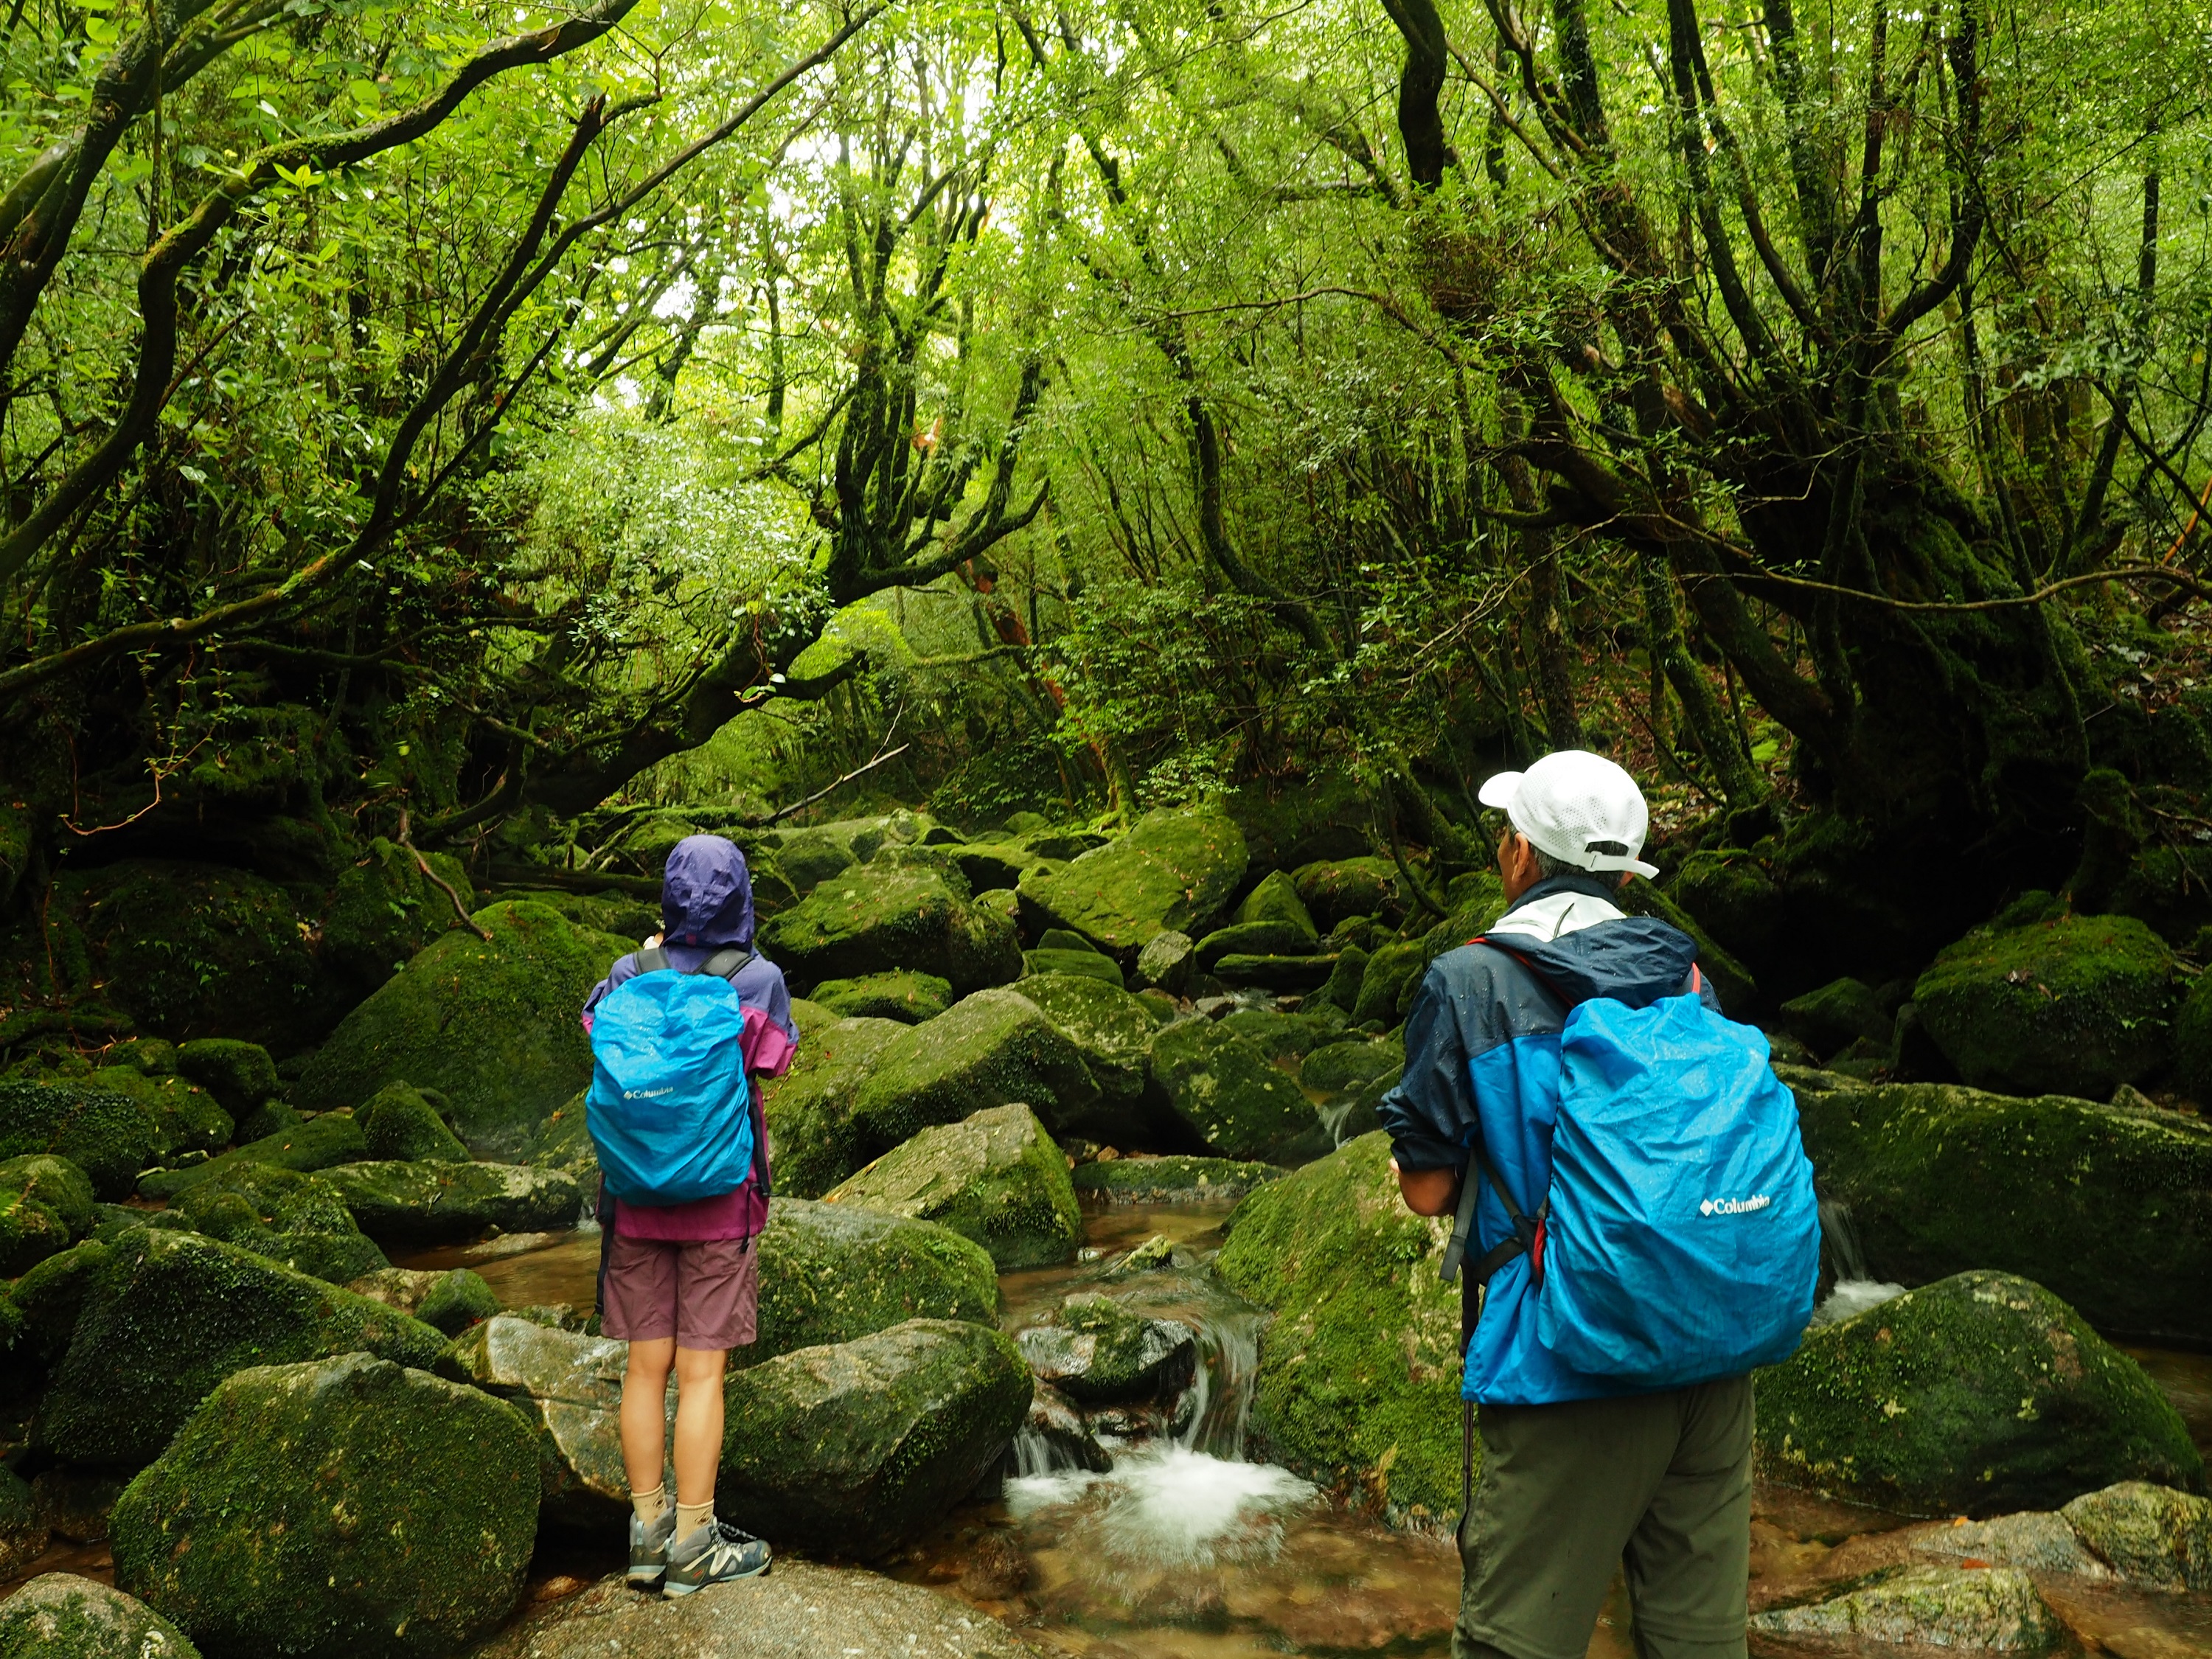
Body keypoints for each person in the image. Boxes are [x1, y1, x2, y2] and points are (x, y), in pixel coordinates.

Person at [1378, 751, 1755, 1659]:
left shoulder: (1470, 982)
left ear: (1520, 856)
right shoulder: (1687, 978)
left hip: (1568, 1359)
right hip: (1710, 1348)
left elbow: (1428, 1189)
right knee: (1698, 1643)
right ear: (1626, 873)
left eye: (1507, 834)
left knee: (1514, 1643)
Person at [580, 833, 798, 1597]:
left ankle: (646, 1537)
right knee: (702, 1374)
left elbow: (599, 1040)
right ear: (742, 898)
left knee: (646, 1369)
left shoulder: (627, 973)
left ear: (669, 899)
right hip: (720, 1202)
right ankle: (696, 1543)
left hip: (637, 1200)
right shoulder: (756, 978)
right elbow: (772, 1062)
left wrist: (653, 965)